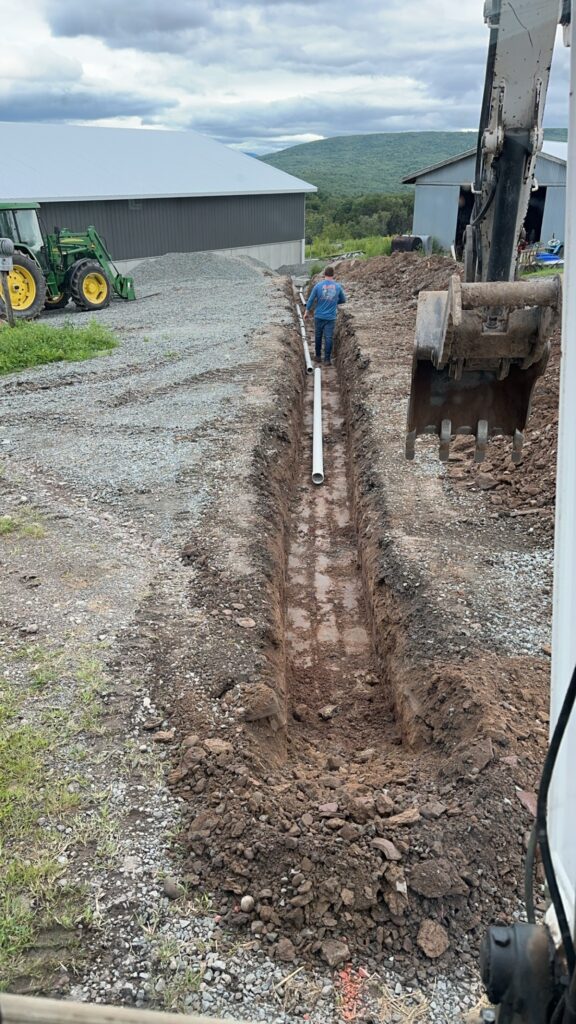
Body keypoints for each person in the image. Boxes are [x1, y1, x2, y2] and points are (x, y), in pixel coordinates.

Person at [303, 266, 346, 365]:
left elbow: (310, 300)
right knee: (328, 337)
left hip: (319, 316)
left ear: (324, 274)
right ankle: (327, 360)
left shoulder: (318, 286)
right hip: (330, 317)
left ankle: (318, 356)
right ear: (333, 275)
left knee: (318, 336)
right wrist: (334, 302)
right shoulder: (337, 287)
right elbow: (343, 300)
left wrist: (306, 312)